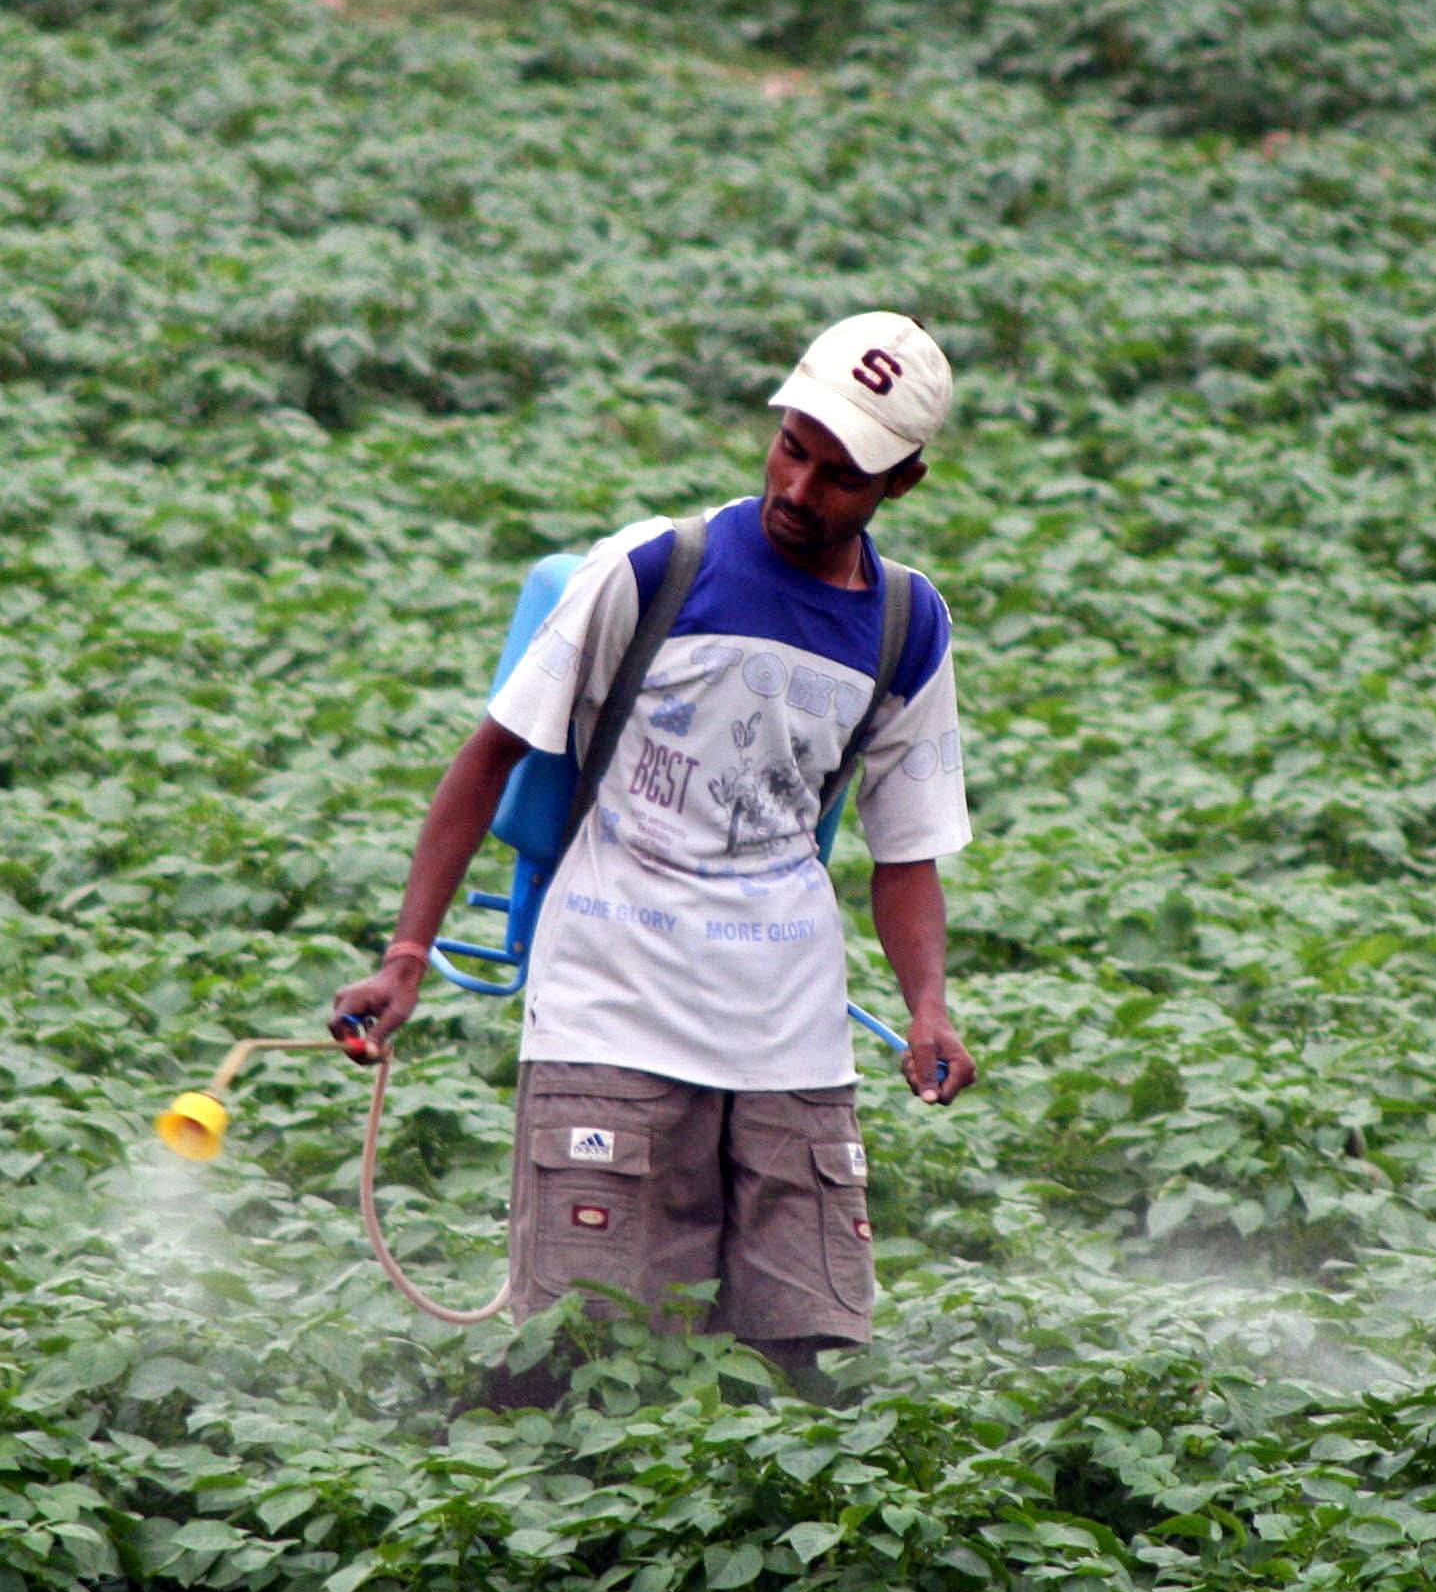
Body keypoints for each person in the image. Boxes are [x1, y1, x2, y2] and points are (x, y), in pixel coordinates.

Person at [331, 312, 977, 1382]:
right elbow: (487, 756)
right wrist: (407, 957)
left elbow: (904, 852)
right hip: (609, 1011)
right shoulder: (651, 568)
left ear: (900, 484)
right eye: (792, 448)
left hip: (789, 1038)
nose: (799, 490)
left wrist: (926, 1007)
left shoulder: (909, 624)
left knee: (803, 1366)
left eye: (840, 476)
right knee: (586, 1362)